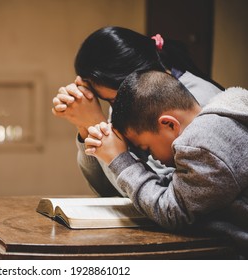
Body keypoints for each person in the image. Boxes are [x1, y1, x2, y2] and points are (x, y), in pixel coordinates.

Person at [85, 70, 248, 254]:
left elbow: (172, 212)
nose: (153, 157)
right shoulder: (220, 122)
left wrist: (119, 159)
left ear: (169, 124)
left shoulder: (202, 143)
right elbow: (177, 189)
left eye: (147, 148)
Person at [52, 26, 223, 197]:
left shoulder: (197, 104)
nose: (114, 106)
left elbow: (161, 197)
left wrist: (95, 124)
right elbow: (107, 190)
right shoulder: (128, 102)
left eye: (113, 99)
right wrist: (87, 129)